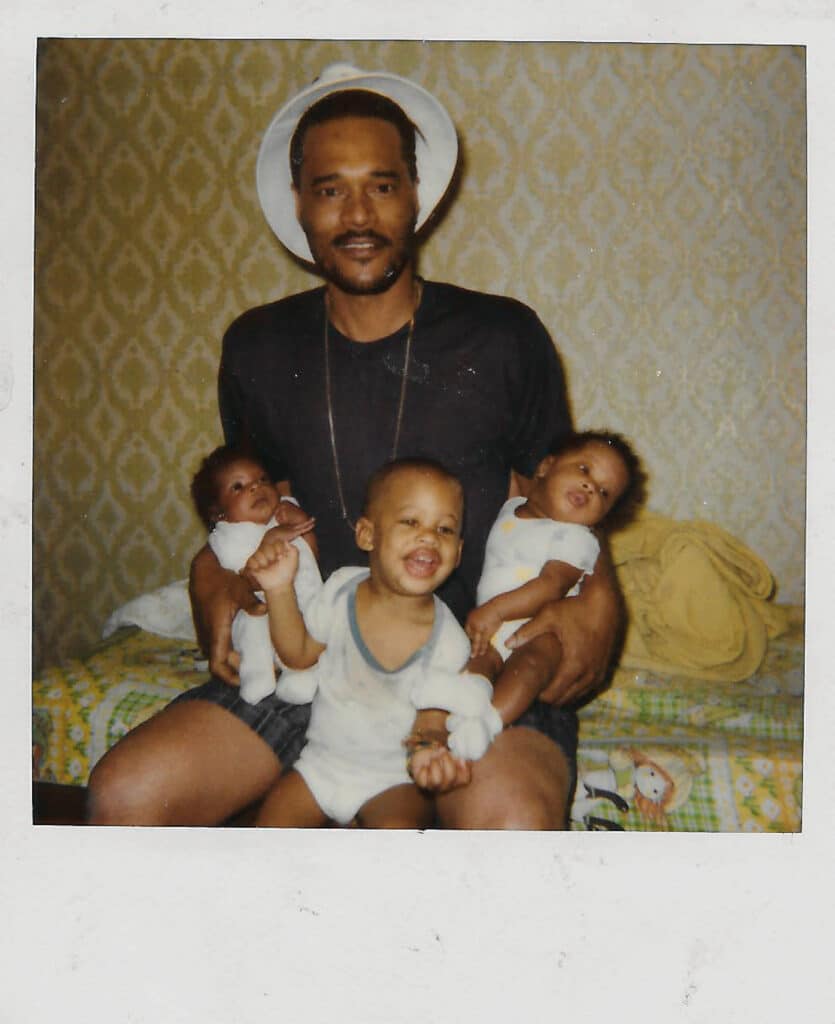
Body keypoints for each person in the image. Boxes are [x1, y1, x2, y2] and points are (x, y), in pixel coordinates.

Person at [87, 63, 621, 828]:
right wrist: (210, 585)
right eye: (330, 188)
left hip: (472, 659)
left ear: (417, 195)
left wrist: (598, 609)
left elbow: (567, 507)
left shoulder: (502, 335)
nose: (359, 215)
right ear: (296, 204)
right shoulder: (258, 346)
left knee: (509, 830)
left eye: (382, 184)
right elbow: (249, 511)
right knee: (127, 796)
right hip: (321, 656)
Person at [248, 458, 502, 828]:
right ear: (367, 535)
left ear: (458, 553)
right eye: (411, 521)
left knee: (396, 840)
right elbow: (298, 655)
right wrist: (278, 589)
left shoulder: (449, 640)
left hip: (393, 780)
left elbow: (431, 715)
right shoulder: (340, 589)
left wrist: (427, 752)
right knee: (268, 834)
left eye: (445, 529)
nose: (429, 536)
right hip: (320, 767)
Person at [466, 430, 645, 729]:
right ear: (546, 467)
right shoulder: (511, 508)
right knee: (473, 668)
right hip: (493, 628)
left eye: (604, 493)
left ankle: (487, 725)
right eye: (585, 469)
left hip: (539, 631)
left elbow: (552, 585)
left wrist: (495, 611)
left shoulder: (576, 538)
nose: (591, 486)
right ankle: (461, 715)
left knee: (531, 668)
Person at [189, 445, 321, 704]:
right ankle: (257, 674)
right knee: (252, 627)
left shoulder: (283, 513)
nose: (255, 487)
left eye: (262, 480)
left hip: (303, 606)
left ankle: (301, 677)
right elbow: (246, 580)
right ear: (218, 513)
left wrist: (299, 521)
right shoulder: (228, 537)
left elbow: (311, 556)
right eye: (238, 487)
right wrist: (269, 543)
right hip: (261, 610)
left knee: (318, 626)